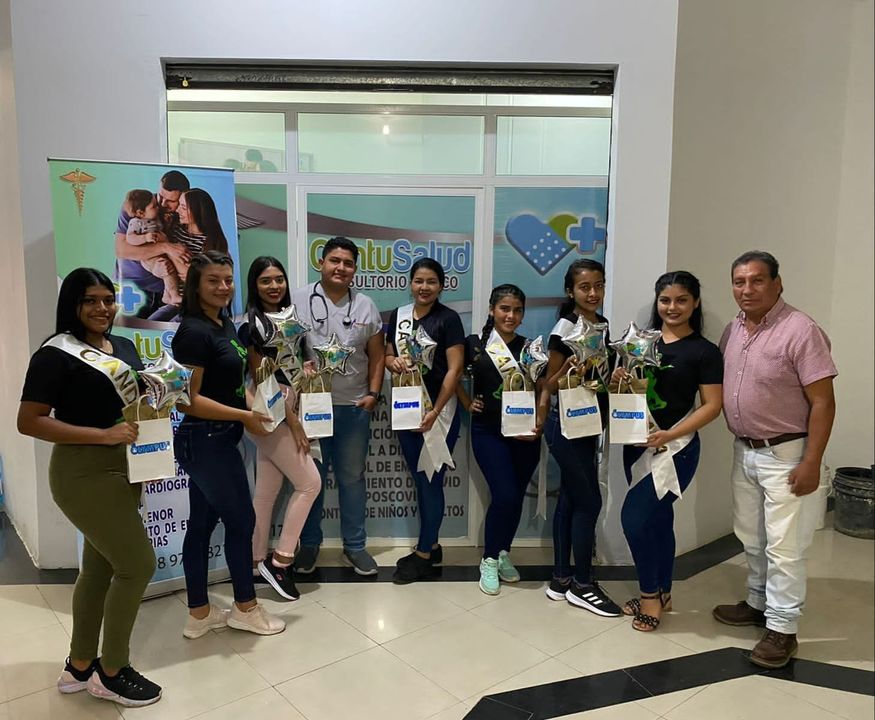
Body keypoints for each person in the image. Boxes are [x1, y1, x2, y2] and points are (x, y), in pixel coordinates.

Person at [17, 268, 161, 707]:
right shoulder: (55, 354)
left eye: (108, 299)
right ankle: (112, 672)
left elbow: (137, 408)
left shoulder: (124, 347)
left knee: (99, 569)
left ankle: (80, 666)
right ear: (73, 305)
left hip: (126, 467)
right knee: (137, 566)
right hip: (82, 472)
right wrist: (102, 435)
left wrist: (152, 454)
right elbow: (29, 421)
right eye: (90, 301)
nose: (102, 308)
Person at [712, 250, 836, 668]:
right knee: (751, 535)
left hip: (787, 454)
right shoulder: (733, 330)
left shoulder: (801, 330)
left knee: (785, 546)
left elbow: (823, 402)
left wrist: (811, 461)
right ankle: (758, 602)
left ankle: (783, 628)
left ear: (777, 283)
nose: (747, 289)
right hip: (745, 450)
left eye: (757, 280)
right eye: (739, 281)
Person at [172, 251, 286, 638]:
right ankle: (245, 608)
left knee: (202, 525)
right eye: (213, 281)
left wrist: (256, 409)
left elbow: (236, 386)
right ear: (195, 285)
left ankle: (199, 615)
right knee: (242, 522)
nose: (223, 287)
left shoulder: (222, 324)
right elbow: (187, 400)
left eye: (228, 280)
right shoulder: (193, 332)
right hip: (206, 440)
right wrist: (243, 416)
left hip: (218, 439)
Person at [612, 271, 723, 631]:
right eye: (665, 300)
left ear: (695, 303)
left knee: (634, 519)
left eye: (681, 300)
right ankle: (664, 591)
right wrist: (617, 380)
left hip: (677, 449)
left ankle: (649, 597)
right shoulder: (639, 344)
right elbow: (626, 393)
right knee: (659, 520)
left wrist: (671, 433)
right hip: (636, 447)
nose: (672, 307)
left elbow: (712, 405)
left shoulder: (704, 351)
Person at [290, 237, 385, 576]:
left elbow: (377, 355)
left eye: (347, 263)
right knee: (311, 479)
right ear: (321, 262)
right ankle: (309, 544)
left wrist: (373, 393)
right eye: (334, 260)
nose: (340, 268)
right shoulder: (298, 300)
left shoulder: (365, 306)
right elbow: (286, 349)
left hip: (353, 406)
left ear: (355, 269)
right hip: (312, 408)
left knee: (352, 478)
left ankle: (355, 546)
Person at [537, 259, 621, 616]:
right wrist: (570, 370)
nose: (593, 293)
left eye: (599, 285)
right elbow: (549, 384)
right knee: (590, 501)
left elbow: (598, 377)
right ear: (570, 291)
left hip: (590, 422)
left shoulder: (601, 324)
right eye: (585, 287)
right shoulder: (565, 328)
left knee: (572, 498)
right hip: (566, 424)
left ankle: (561, 579)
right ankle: (583, 585)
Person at [239, 256, 321, 601]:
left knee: (266, 491)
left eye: (279, 279)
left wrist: (308, 371)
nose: (274, 286)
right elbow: (264, 380)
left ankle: (255, 560)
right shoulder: (251, 326)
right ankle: (281, 561)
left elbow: (294, 367)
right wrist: (295, 422)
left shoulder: (292, 320)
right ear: (254, 286)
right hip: (270, 413)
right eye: (265, 281)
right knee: (310, 483)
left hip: (287, 408)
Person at [459, 284, 542, 595]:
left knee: (515, 497)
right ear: (492, 310)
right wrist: (467, 402)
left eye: (517, 310)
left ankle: (503, 551)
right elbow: (450, 374)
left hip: (524, 433)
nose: (511, 315)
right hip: (488, 432)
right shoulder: (474, 344)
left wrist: (540, 420)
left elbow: (543, 387)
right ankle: (489, 559)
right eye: (505, 309)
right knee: (504, 495)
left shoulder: (531, 347)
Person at [385, 258, 465, 584]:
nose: (424, 287)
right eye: (419, 280)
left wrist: (435, 411)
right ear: (410, 283)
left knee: (431, 480)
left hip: (438, 413)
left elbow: (455, 369)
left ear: (441, 286)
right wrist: (393, 362)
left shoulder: (449, 319)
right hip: (407, 409)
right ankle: (431, 545)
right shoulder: (399, 316)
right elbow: (388, 355)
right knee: (420, 480)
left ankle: (422, 556)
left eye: (431, 281)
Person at [114, 170, 191, 319]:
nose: (162, 204)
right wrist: (166, 247)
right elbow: (122, 250)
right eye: (160, 196)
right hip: (131, 288)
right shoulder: (138, 205)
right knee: (127, 331)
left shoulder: (184, 215)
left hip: (166, 291)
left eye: (171, 201)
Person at [123, 189, 185, 306]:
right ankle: (174, 295)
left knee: (169, 271)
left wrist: (166, 224)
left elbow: (163, 232)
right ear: (141, 213)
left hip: (160, 252)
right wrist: (145, 238)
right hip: (149, 257)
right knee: (167, 270)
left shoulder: (155, 219)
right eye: (154, 206)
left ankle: (167, 295)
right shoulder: (136, 222)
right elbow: (130, 238)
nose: (158, 207)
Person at [173, 188, 230, 255]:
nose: (177, 210)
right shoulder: (175, 228)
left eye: (184, 208)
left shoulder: (211, 244)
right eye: (179, 204)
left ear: (198, 211)